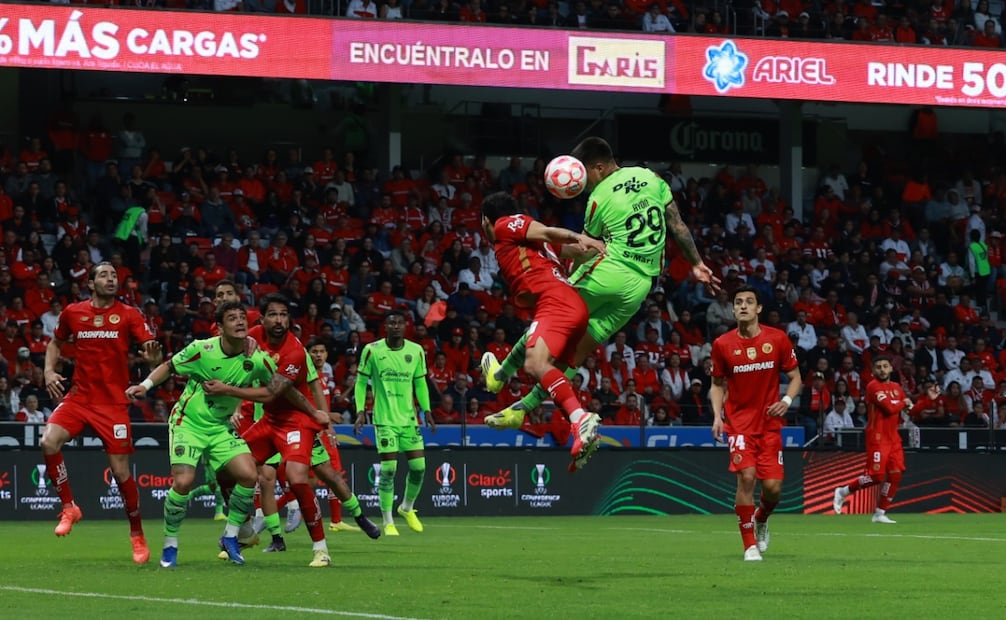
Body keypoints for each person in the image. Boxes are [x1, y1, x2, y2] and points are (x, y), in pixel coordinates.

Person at [483, 137, 718, 442]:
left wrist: (561, 273)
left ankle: (500, 375)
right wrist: (697, 264)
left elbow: (585, 248)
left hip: (610, 272)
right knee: (574, 353)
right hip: (641, 286)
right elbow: (678, 224)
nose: (584, 183)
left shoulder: (599, 197)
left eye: (586, 174)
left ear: (598, 167)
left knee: (553, 316)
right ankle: (522, 408)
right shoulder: (653, 178)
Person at [126, 301, 306, 568]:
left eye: (242, 318)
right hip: (188, 423)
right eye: (232, 319)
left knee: (248, 475)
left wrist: (231, 391)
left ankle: (232, 536)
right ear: (219, 328)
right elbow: (169, 366)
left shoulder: (256, 359)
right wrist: (145, 385)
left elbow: (272, 391)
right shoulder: (202, 350)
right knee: (184, 481)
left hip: (220, 428)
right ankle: (170, 544)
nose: (240, 323)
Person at [204, 294, 374, 566]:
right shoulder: (254, 335)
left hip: (296, 421)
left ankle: (321, 549)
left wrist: (227, 390)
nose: (279, 320)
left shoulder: (295, 350)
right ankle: (245, 531)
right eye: (273, 314)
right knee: (225, 470)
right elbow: (227, 348)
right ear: (262, 319)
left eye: (284, 315)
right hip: (268, 421)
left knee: (300, 478)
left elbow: (273, 391)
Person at [42, 261, 162, 564]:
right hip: (80, 399)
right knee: (48, 442)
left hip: (113, 404)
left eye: (114, 275)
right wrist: (48, 371)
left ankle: (137, 535)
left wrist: (153, 358)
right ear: (91, 283)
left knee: (121, 473)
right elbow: (56, 342)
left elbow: (151, 352)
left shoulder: (129, 314)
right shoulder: (73, 312)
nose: (111, 279)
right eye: (104, 275)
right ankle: (69, 506)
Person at [478, 192, 607, 470]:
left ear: (486, 221)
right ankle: (500, 377)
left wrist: (580, 237)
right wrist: (599, 243)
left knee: (535, 363)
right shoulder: (537, 248)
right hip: (573, 307)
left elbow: (548, 231)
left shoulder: (503, 225)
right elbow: (573, 252)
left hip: (555, 302)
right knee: (550, 374)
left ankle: (581, 419)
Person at [709, 286, 801, 562]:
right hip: (738, 424)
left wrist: (786, 399)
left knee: (773, 489)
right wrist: (717, 416)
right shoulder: (722, 345)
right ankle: (749, 544)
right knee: (746, 477)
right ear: (733, 309)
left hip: (770, 425)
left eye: (749, 302)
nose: (743, 306)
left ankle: (761, 518)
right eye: (738, 302)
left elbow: (796, 377)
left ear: (759, 309)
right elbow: (716, 384)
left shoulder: (778, 339)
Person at [354, 311, 435, 536]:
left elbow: (420, 384)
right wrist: (360, 410)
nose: (396, 326)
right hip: (384, 419)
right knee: (389, 469)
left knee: (419, 468)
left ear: (405, 327)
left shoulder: (416, 351)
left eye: (400, 323)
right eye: (392, 323)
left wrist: (427, 410)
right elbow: (361, 383)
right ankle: (388, 520)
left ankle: (407, 507)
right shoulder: (372, 350)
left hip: (409, 419)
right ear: (385, 327)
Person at [833, 357, 938, 523]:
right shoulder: (873, 386)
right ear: (874, 371)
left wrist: (927, 400)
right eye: (878, 367)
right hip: (877, 437)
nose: (882, 370)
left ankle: (880, 513)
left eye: (885, 366)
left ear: (890, 369)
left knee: (895, 475)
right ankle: (843, 491)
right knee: (877, 476)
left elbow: (910, 411)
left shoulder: (897, 388)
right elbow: (889, 408)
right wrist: (902, 402)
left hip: (893, 438)